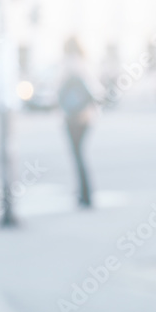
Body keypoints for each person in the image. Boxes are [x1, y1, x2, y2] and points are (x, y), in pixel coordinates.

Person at [58, 37, 99, 208]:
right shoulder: (85, 63)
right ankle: (85, 193)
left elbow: (62, 91)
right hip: (88, 117)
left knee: (77, 156)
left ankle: (84, 195)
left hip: (74, 117)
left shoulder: (69, 65)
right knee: (80, 155)